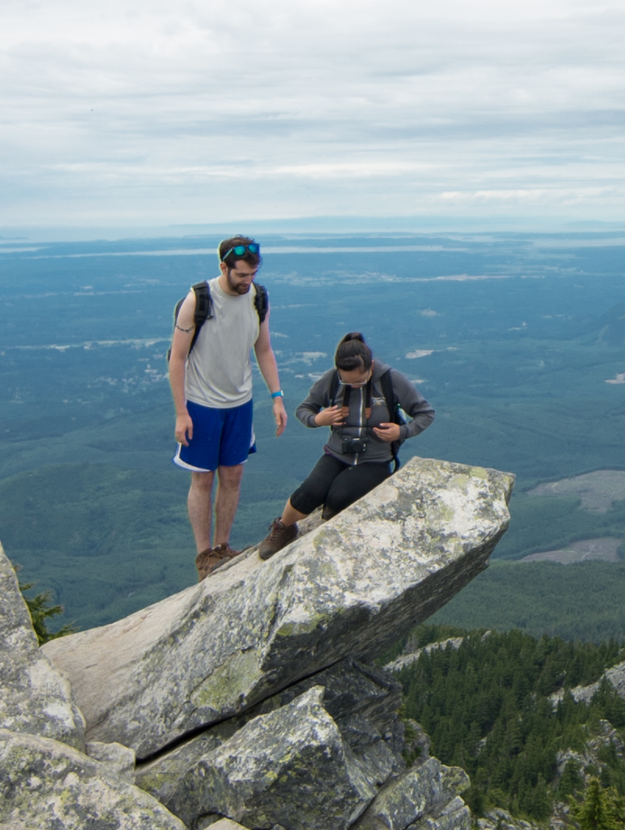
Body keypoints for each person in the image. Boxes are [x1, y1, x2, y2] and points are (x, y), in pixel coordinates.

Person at [251, 331, 433, 560]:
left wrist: (402, 431)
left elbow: (425, 413)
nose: (353, 386)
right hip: (337, 453)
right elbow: (303, 409)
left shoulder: (390, 380)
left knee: (338, 498)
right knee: (309, 492)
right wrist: (319, 419)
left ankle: (331, 511)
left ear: (371, 366)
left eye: (359, 381)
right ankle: (284, 528)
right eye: (347, 381)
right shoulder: (332, 379)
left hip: (375, 459)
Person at [170, 235, 287, 577]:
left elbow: (263, 349)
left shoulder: (258, 298)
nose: (246, 282)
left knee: (233, 475)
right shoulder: (198, 299)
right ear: (223, 267)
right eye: (240, 276)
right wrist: (181, 412)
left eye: (251, 275)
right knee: (203, 480)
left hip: (240, 402)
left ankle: (222, 546)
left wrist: (276, 396)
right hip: (202, 403)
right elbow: (177, 359)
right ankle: (203, 555)